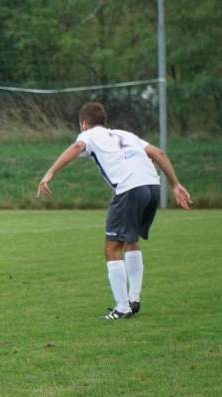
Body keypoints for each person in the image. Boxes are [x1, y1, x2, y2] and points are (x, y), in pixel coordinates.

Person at [37, 102, 192, 319]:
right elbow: (158, 152)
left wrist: (50, 173)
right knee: (131, 240)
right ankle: (134, 299)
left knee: (111, 248)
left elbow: (76, 148)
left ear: (84, 123)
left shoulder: (89, 135)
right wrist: (175, 184)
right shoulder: (125, 134)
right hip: (152, 186)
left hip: (130, 188)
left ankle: (122, 307)